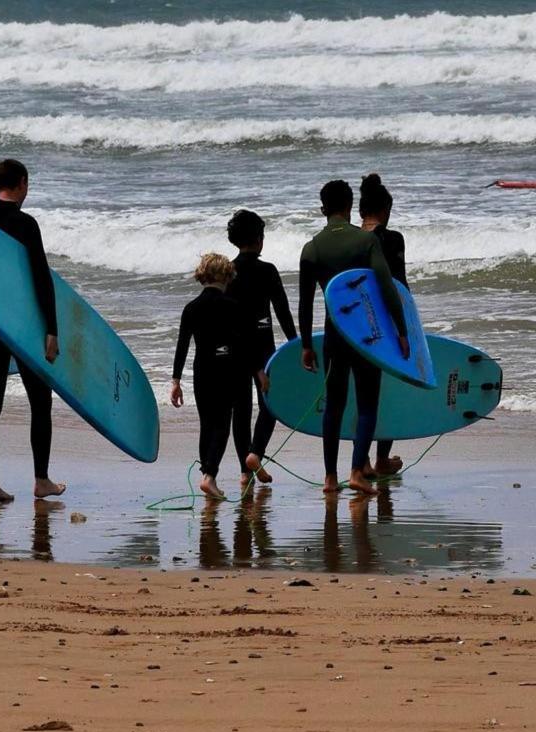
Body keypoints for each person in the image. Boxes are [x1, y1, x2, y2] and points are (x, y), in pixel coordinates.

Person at [298, 180, 409, 495]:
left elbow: (305, 303)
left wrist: (306, 344)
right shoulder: (365, 241)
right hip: (368, 337)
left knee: (334, 405)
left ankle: (330, 479)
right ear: (349, 207)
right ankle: (357, 471)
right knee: (367, 405)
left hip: (334, 334)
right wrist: (401, 331)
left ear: (323, 210)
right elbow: (388, 289)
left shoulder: (311, 248)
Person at [0, 159, 65, 503]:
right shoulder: (26, 223)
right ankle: (41, 480)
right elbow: (41, 278)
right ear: (23, 183)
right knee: (40, 402)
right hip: (25, 326)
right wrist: (51, 330)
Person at [171, 253, 268, 499]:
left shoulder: (191, 308)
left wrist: (175, 381)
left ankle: (207, 474)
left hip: (202, 369)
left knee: (207, 424)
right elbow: (247, 344)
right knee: (223, 426)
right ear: (226, 276)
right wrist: (259, 372)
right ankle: (209, 477)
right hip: (230, 370)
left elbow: (182, 346)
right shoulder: (233, 306)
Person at [225, 209, 297, 488]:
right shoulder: (267, 271)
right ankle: (255, 453)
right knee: (270, 403)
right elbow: (282, 310)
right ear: (258, 239)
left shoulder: (228, 272)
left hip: (235, 349)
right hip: (263, 345)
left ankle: (244, 470)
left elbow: (225, 317)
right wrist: (295, 344)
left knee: (240, 410)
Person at [359, 173, 408, 477]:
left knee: (362, 394)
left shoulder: (351, 238)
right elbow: (399, 286)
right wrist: (407, 329)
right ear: (385, 209)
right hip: (388, 325)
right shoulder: (392, 239)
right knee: (387, 394)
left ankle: (360, 460)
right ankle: (381, 458)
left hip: (357, 325)